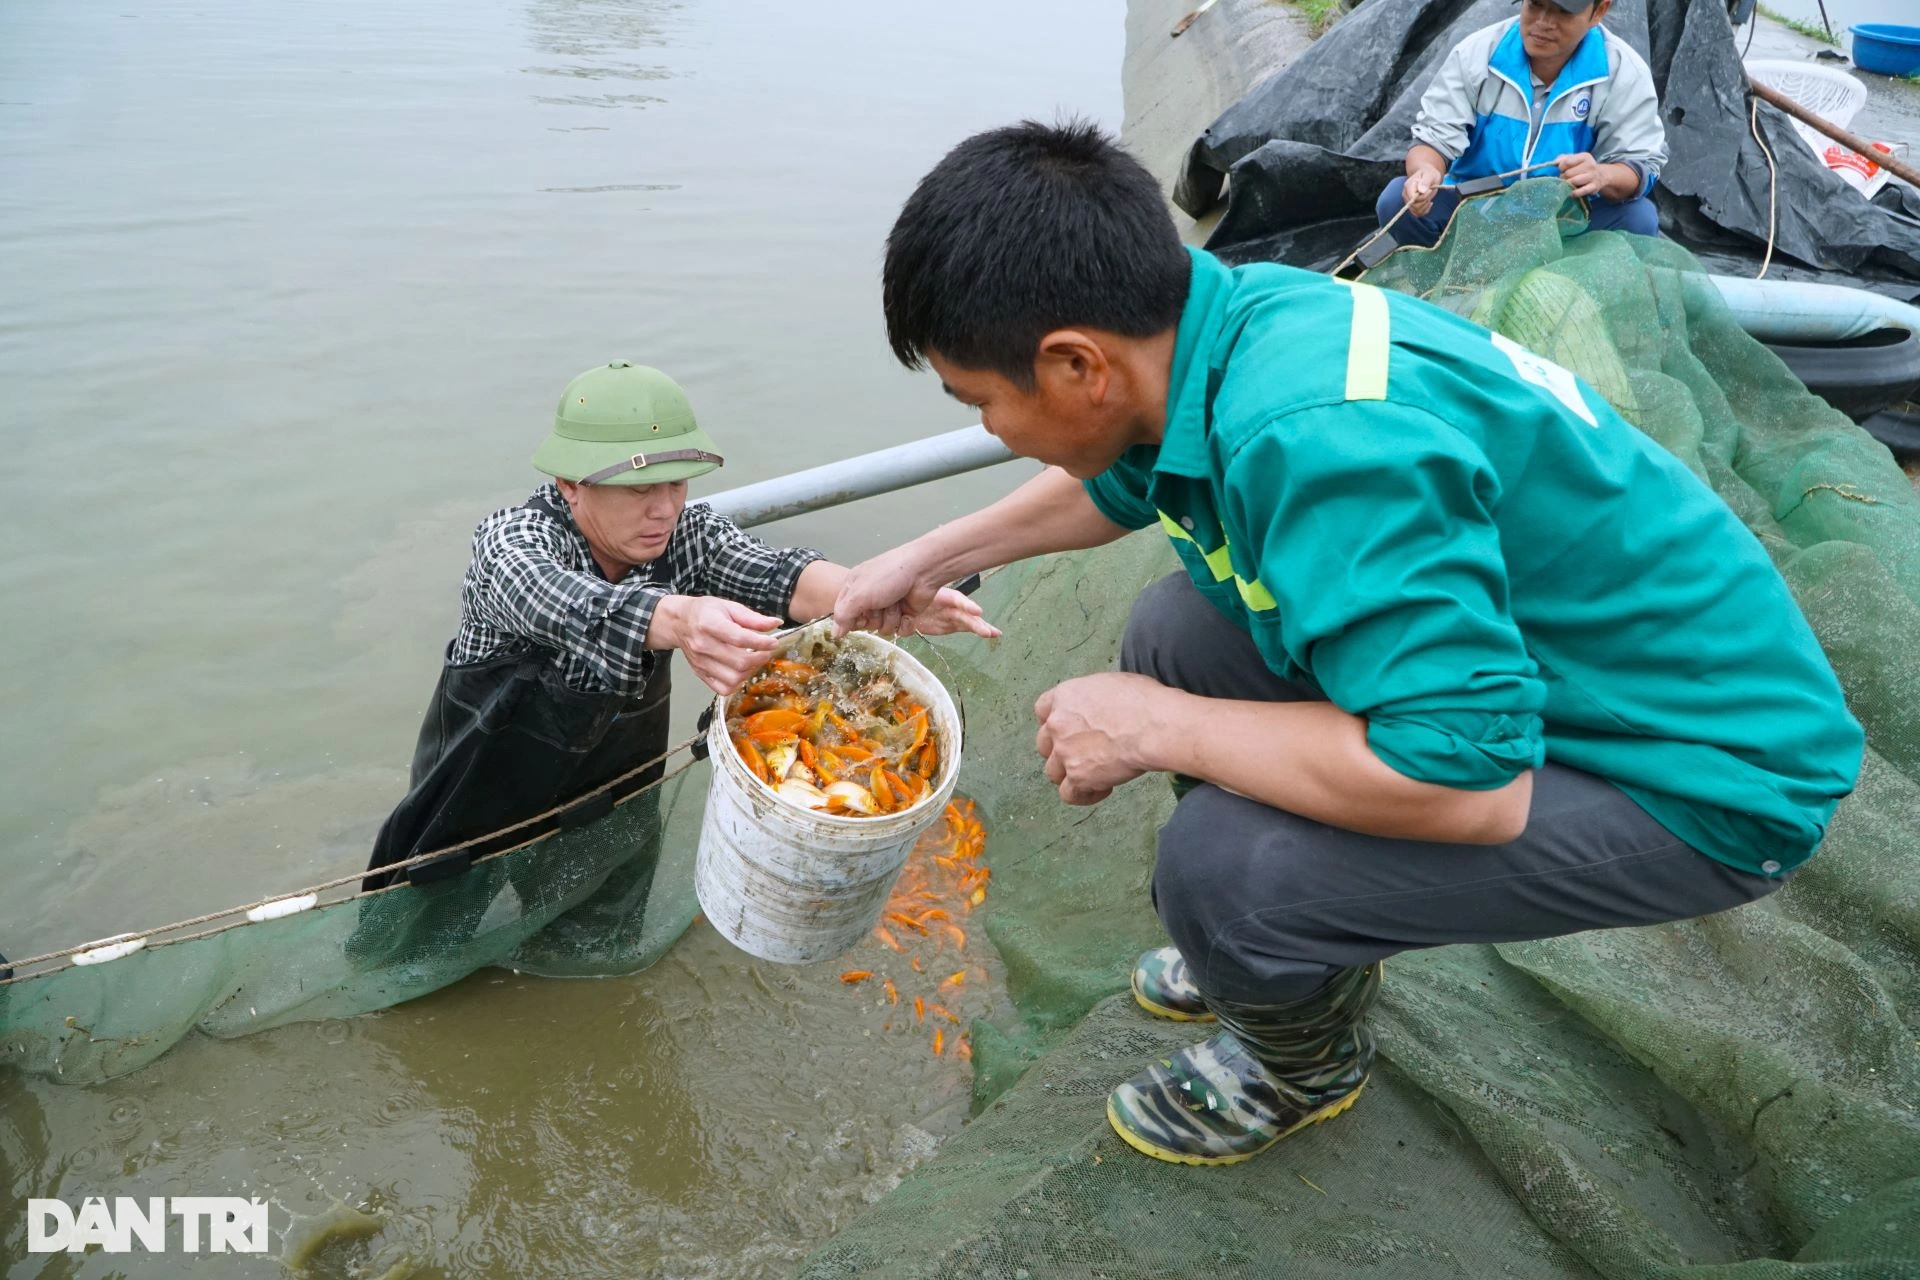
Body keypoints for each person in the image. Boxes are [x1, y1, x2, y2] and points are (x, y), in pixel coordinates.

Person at [835, 121, 1862, 1167]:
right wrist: (925, 555)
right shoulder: (1215, 323)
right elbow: (1116, 477)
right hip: (1575, 667)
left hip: (1711, 771)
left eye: (982, 402)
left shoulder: (1317, 436)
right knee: (1174, 630)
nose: (992, 430)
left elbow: (1474, 786)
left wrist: (1163, 727)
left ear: (1074, 365)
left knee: (1221, 872)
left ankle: (1302, 1053)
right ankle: (1299, 939)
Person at [362, 360, 993, 895]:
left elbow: (781, 577)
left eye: (674, 484)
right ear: (570, 486)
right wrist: (683, 618)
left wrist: (892, 596)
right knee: (424, 924)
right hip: (475, 794)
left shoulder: (683, 534)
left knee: (600, 916)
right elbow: (560, 601)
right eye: (637, 490)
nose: (663, 509)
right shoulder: (514, 543)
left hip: (611, 796)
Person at [1377, 0, 1667, 248]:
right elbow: (1432, 140)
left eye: (1562, 11)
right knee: (1396, 203)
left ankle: (1564, 286)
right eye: (1535, 4)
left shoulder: (1622, 72)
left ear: (1599, 11)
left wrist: (1602, 175)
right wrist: (1426, 172)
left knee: (1638, 218)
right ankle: (1452, 284)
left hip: (1565, 222)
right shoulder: (1477, 54)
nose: (1543, 22)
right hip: (1475, 213)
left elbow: (1640, 165)